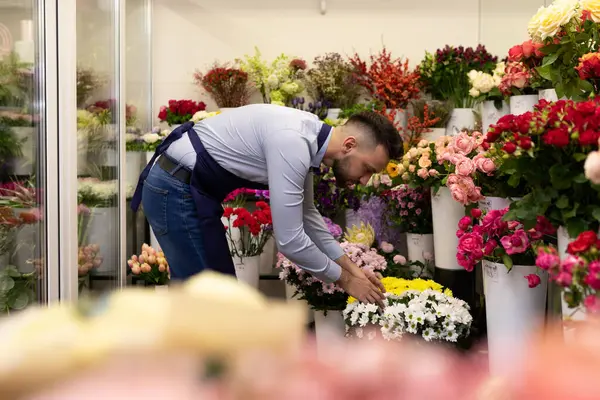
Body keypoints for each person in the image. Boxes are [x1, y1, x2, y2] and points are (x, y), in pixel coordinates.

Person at [131, 104, 403, 306]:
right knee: (207, 299)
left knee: (217, 296)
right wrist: (345, 281)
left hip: (189, 190)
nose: (366, 181)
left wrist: (353, 269)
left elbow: (308, 216)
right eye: (367, 168)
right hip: (174, 188)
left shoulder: (309, 137)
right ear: (349, 145)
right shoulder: (293, 141)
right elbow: (290, 241)